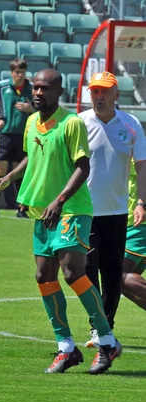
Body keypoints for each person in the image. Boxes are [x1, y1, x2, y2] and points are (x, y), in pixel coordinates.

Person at [0, 69, 121, 375]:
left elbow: (82, 166)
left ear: (58, 91)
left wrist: (59, 200)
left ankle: (106, 339)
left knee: (73, 271)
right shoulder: (31, 122)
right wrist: (10, 179)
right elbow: (31, 159)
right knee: (42, 275)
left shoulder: (71, 122)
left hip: (72, 208)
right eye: (35, 87)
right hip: (43, 212)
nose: (37, 92)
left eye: (44, 88)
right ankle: (66, 348)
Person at [78, 71, 146, 348]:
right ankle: (99, 325)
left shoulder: (131, 125)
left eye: (105, 91)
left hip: (118, 213)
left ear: (117, 94)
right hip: (84, 211)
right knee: (86, 269)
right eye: (95, 91)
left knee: (113, 274)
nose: (99, 95)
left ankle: (104, 326)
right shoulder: (78, 123)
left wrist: (142, 202)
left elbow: (141, 165)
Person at [0, 59, 34, 218]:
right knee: (1, 170)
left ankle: (21, 209)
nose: (20, 75)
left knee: (20, 172)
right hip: (4, 135)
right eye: (17, 72)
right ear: (12, 73)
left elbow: (43, 109)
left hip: (23, 135)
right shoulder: (2, 87)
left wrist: (31, 109)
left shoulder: (31, 88)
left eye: (23, 73)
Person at [122, 160, 146, 309]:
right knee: (121, 283)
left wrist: (141, 204)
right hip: (125, 222)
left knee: (118, 275)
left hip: (139, 225)